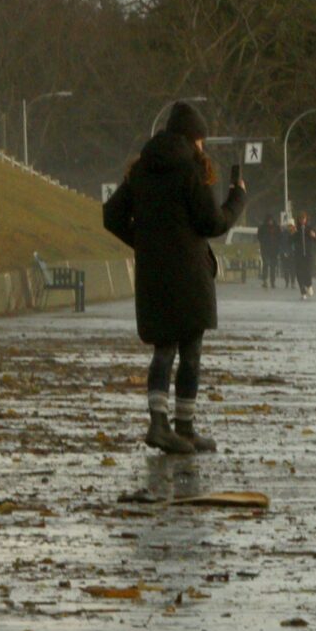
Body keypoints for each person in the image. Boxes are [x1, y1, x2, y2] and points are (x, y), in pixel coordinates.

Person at [100, 101, 246, 454]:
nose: (202, 148)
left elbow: (111, 216)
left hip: (154, 274)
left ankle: (160, 425)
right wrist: (236, 199)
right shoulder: (189, 170)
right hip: (189, 275)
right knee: (191, 352)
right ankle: (185, 426)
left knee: (164, 349)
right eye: (201, 141)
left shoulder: (143, 168)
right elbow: (212, 223)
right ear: (194, 138)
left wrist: (145, 244)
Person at [292, 211, 316, 299]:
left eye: (303, 219)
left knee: (307, 271)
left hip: (308, 254)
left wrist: (314, 235)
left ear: (306, 219)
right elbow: (291, 241)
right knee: (299, 273)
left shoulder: (310, 228)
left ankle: (309, 285)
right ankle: (302, 292)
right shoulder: (296, 229)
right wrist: (292, 234)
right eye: (300, 219)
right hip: (298, 254)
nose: (302, 220)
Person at [255, 213, 281, 288]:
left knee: (273, 266)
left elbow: (279, 237)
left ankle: (272, 281)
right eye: (269, 220)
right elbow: (259, 236)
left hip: (274, 249)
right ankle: (265, 280)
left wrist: (277, 245)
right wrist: (263, 242)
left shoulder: (276, 227)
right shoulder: (262, 228)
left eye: (271, 220)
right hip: (265, 248)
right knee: (265, 264)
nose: (270, 222)